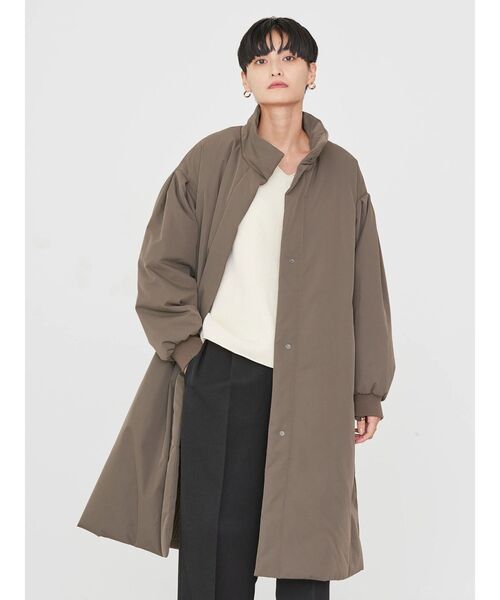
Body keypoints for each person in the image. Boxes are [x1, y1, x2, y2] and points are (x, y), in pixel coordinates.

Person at [158, 16, 396, 600]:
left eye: (289, 57)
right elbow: (162, 263)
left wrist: (367, 389)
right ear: (245, 79)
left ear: (312, 72)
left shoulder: (343, 173)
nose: (275, 69)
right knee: (218, 546)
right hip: (223, 372)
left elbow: (366, 285)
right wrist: (190, 351)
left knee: (306, 543)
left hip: (315, 381)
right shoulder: (210, 160)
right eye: (260, 60)